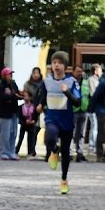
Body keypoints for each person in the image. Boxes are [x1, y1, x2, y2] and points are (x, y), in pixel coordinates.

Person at [34, 51, 80, 194]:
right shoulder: (47, 81)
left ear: (65, 66)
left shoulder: (72, 82)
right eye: (54, 63)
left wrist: (67, 92)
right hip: (52, 118)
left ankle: (64, 179)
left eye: (60, 63)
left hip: (66, 120)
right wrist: (40, 105)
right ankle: (54, 151)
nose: (56, 65)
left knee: (66, 152)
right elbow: (43, 96)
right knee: (50, 138)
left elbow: (77, 102)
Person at [0, 67, 20, 160]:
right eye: (8, 74)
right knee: (5, 134)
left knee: (13, 133)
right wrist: (12, 96)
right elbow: (1, 98)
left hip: (14, 110)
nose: (10, 76)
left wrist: (19, 95)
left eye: (11, 74)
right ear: (4, 75)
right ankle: (3, 152)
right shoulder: (1, 85)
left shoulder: (13, 84)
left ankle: (12, 152)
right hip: (5, 112)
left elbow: (17, 93)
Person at [71, 66, 90, 162]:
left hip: (83, 110)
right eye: (78, 71)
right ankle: (69, 153)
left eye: (81, 72)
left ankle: (80, 153)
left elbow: (89, 95)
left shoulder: (86, 82)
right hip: (73, 110)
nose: (79, 73)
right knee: (71, 133)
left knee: (81, 134)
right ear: (73, 72)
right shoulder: (70, 82)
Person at [15, 89, 39, 158]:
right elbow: (20, 116)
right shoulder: (21, 107)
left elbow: (35, 115)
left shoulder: (33, 106)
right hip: (24, 124)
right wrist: (24, 121)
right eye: (24, 96)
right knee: (20, 138)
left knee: (31, 139)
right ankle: (16, 151)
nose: (25, 98)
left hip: (31, 125)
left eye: (27, 96)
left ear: (30, 97)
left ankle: (30, 152)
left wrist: (34, 120)